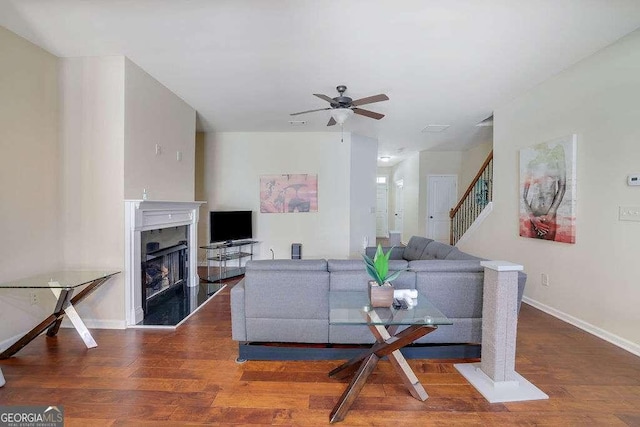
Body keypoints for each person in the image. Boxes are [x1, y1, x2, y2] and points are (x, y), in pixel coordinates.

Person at [521, 144, 566, 241]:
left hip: (550, 213)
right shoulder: (532, 164)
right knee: (531, 246)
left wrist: (550, 214)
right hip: (533, 212)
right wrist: (532, 217)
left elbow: (562, 187)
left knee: (550, 248)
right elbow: (523, 196)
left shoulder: (556, 157)